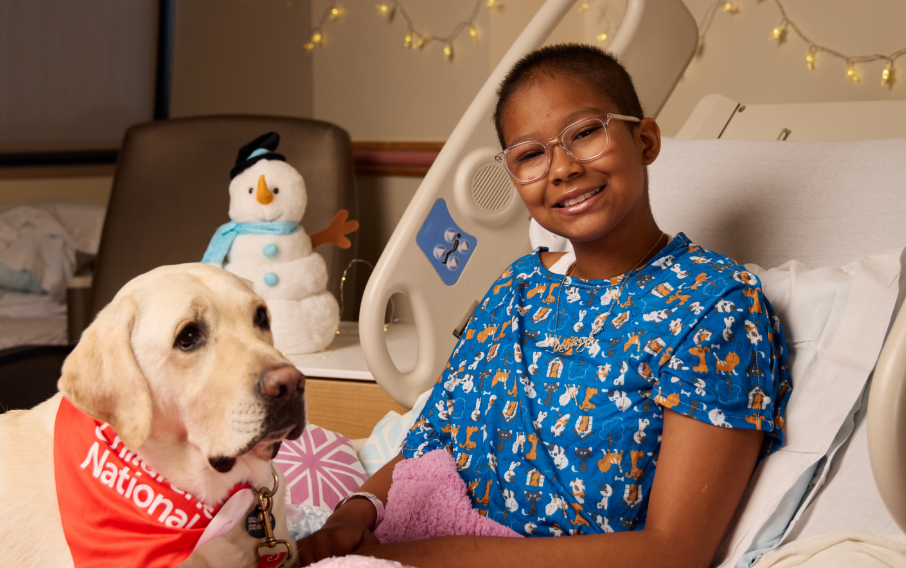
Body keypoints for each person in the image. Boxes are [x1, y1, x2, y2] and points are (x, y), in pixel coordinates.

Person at [296, 44, 791, 567]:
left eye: (585, 133)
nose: (562, 168)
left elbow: (674, 551)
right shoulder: (517, 289)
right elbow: (433, 436)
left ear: (644, 139)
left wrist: (413, 558)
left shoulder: (714, 306)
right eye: (530, 155)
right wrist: (356, 511)